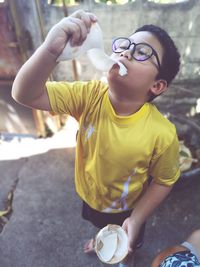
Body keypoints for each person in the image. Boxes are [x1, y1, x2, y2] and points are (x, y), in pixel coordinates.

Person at [11, 9, 181, 267]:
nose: (125, 53)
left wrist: (136, 219)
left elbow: (164, 181)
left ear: (157, 86)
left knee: (127, 238)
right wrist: (50, 50)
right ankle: (103, 238)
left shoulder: (162, 133)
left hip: (129, 206)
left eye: (142, 52)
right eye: (126, 45)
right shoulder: (89, 96)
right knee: (102, 227)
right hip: (90, 195)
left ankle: (128, 255)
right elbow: (25, 94)